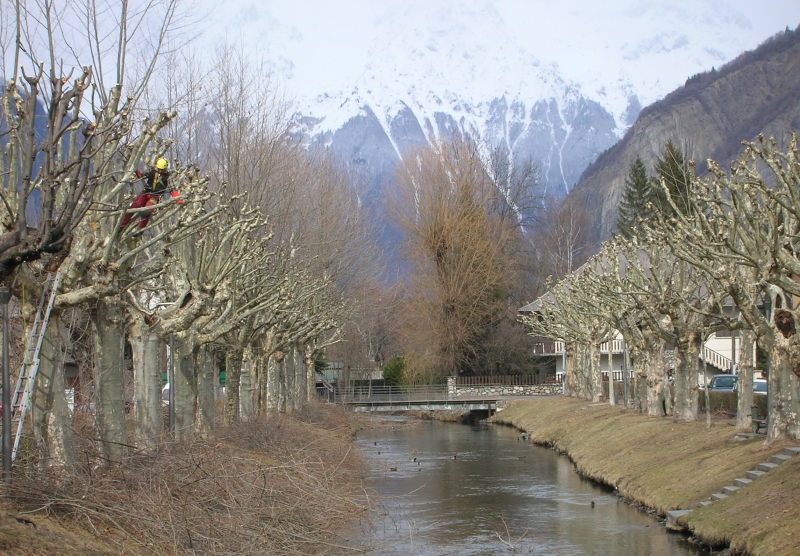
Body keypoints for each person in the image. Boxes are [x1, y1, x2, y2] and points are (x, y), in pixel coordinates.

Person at [121, 158, 171, 230]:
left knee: (146, 213)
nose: (160, 171)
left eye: (162, 169)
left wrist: (177, 199)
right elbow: (142, 176)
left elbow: (173, 188)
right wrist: (136, 170)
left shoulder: (168, 177)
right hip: (145, 193)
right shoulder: (152, 171)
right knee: (132, 208)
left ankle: (140, 230)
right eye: (159, 169)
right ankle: (121, 226)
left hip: (155, 196)